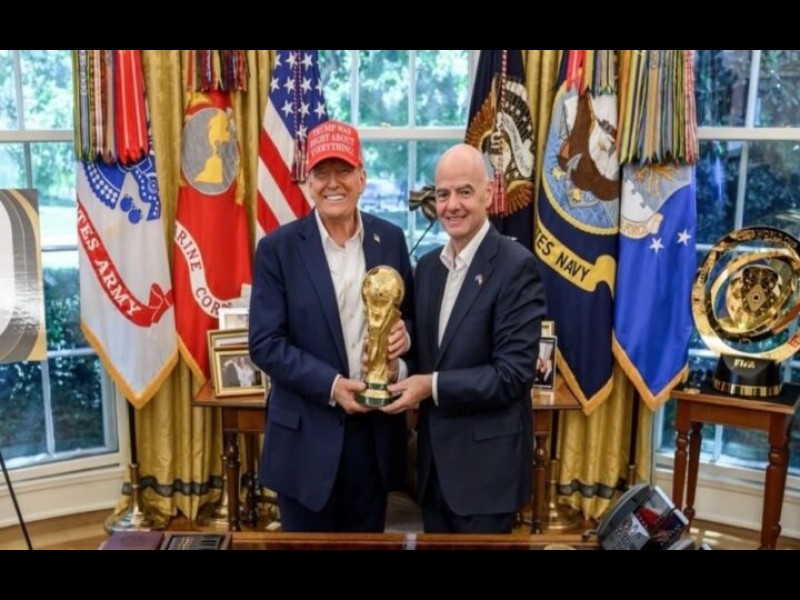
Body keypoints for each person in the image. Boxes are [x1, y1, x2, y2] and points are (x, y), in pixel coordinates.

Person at [249, 120, 414, 532]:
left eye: (344, 171)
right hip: (305, 439)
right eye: (322, 172)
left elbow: (410, 316)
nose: (333, 183)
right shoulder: (277, 250)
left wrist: (404, 342)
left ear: (362, 178)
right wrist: (332, 385)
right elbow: (265, 343)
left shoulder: (391, 239)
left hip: (373, 440)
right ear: (309, 182)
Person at [384, 143, 546, 534]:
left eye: (464, 192)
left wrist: (430, 386)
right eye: (443, 194)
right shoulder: (427, 268)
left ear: (488, 194)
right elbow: (426, 354)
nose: (452, 205)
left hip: (486, 476)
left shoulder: (516, 268)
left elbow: (511, 375)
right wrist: (396, 365)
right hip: (433, 472)